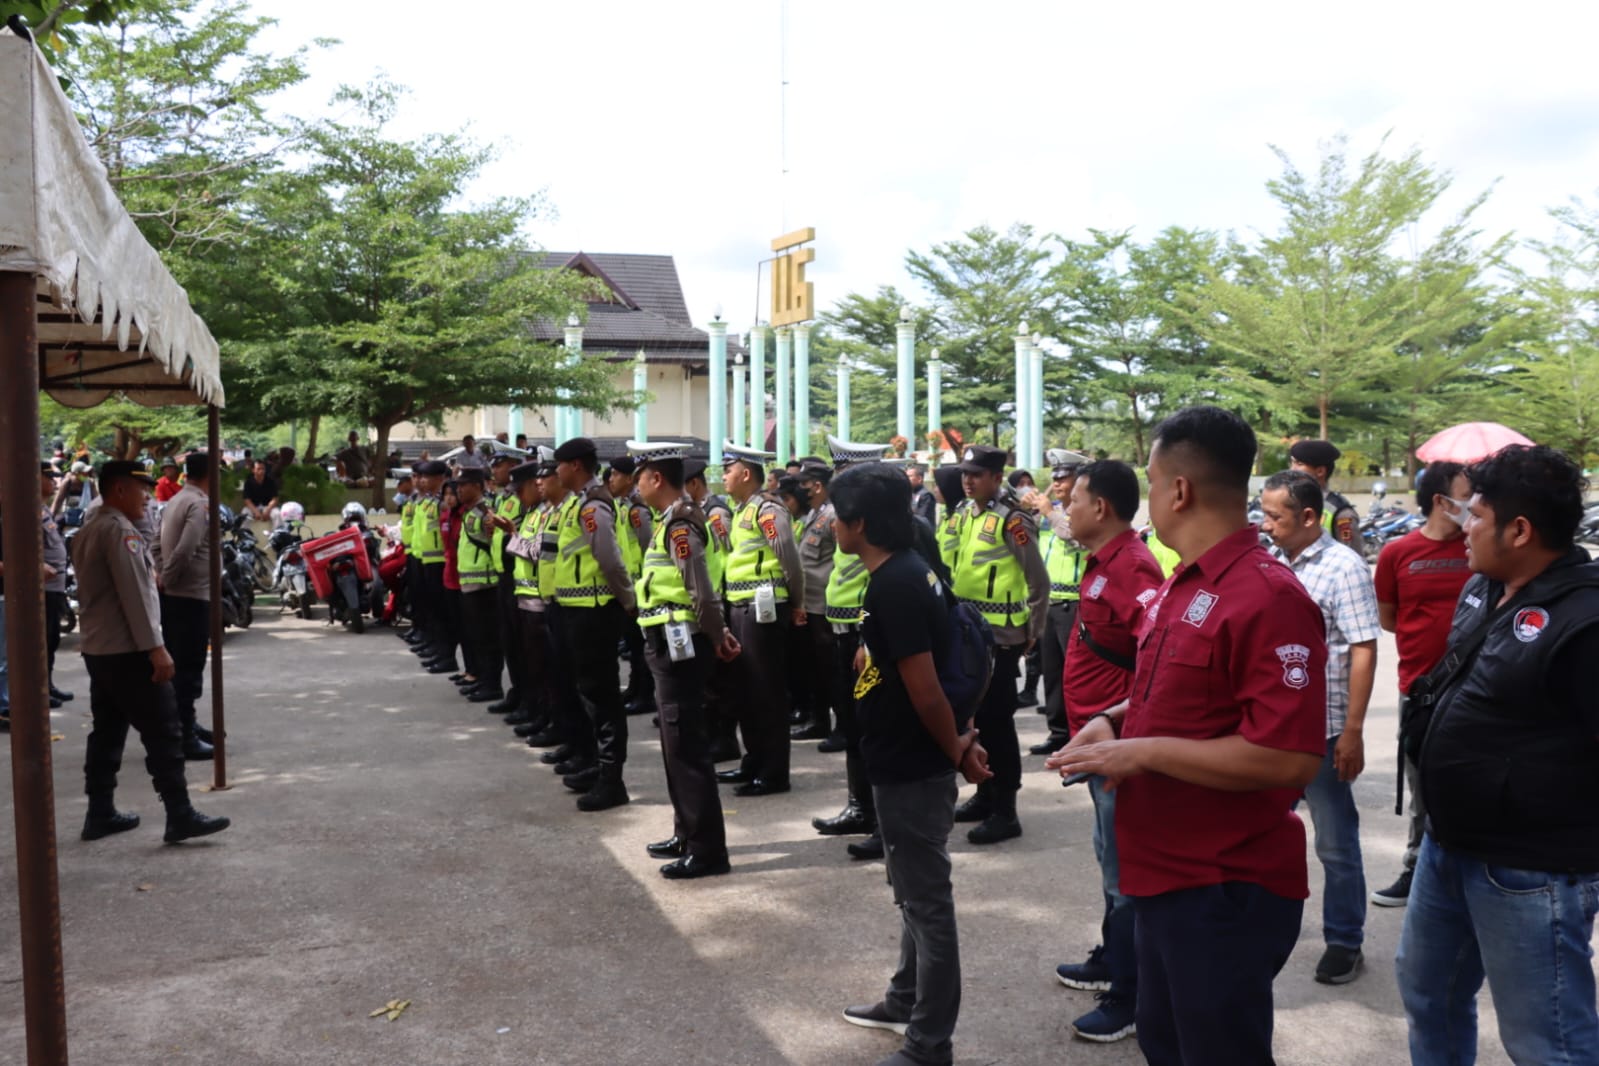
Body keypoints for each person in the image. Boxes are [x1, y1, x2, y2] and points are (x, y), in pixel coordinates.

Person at [1051, 405, 1327, 1065]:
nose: (1147, 499)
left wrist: (1139, 752)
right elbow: (1183, 695)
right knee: (1167, 1041)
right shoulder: (1184, 582)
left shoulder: (1267, 597)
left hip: (1222, 883)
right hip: (1165, 872)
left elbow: (1287, 757)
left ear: (1177, 490)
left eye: (1149, 482)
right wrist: (1114, 721)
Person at [1395, 444, 1599, 1066]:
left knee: (1547, 1040)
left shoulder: (1586, 620)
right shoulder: (1484, 587)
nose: (1463, 526)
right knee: (1429, 993)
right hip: (1448, 844)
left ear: (1520, 529)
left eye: (1476, 516)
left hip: (1528, 871)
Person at [832, 461, 992, 1066]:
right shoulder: (909, 570)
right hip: (905, 755)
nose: (830, 522)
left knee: (927, 903)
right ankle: (905, 998)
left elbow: (925, 690)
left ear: (860, 523)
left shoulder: (894, 583)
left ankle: (929, 1043)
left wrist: (957, 748)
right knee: (912, 892)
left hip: (911, 761)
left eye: (837, 515)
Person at [1045, 460, 1165, 1044]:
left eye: (1074, 498)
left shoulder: (1132, 565)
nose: (1064, 506)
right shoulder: (1101, 562)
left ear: (1102, 508)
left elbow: (1154, 656)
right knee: (1108, 860)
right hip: (1098, 743)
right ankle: (1113, 959)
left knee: (1125, 874)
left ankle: (1131, 995)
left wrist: (1122, 731)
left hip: (1117, 745)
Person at [1260, 469, 1381, 985]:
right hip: (1275, 728)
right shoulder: (1272, 562)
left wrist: (1352, 731)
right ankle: (1259, 929)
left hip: (1325, 730)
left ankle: (1345, 940)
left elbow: (1363, 648)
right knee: (1262, 831)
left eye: (1274, 516)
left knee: (1334, 841)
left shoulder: (1343, 568)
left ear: (1309, 517)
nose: (1265, 525)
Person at [73, 461, 230, 844]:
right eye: (140, 489)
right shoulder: (117, 531)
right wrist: (157, 649)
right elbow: (136, 598)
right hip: (129, 650)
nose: (147, 496)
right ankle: (179, 814)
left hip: (100, 648)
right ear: (119, 490)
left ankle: (100, 812)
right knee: (165, 731)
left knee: (107, 732)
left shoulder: (90, 527)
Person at [626, 441, 742, 879]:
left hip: (682, 645)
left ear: (656, 478)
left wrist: (718, 634)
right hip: (668, 642)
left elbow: (700, 589)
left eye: (640, 476)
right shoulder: (667, 521)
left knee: (687, 748)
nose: (636, 484)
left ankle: (707, 850)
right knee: (675, 747)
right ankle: (686, 831)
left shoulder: (680, 524)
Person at [1368, 460, 1472, 907]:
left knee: (1473, 783)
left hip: (1475, 689)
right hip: (1420, 690)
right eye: (1466, 496)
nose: (1473, 504)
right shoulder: (1397, 553)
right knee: (1423, 788)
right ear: (1441, 501)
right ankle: (1418, 868)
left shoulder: (1479, 546)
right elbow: (1389, 618)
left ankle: (1472, 875)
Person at [941, 444, 1048, 845]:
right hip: (969, 633)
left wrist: (1032, 633)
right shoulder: (966, 514)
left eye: (977, 474)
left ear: (996, 478)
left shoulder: (1012, 521)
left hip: (1003, 636)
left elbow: (1038, 580)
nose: (968, 480)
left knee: (998, 723)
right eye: (965, 473)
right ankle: (985, 795)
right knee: (976, 719)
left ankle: (1007, 810)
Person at [714, 442, 806, 797]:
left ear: (746, 473)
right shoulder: (740, 511)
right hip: (742, 608)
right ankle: (754, 761)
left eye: (729, 469)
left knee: (766, 692)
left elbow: (790, 560)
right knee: (746, 690)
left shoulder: (768, 510)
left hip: (764, 610)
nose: (724, 475)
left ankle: (774, 772)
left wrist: (796, 603)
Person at [552, 437, 636, 811]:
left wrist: (628, 602)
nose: (555, 472)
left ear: (575, 466)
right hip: (577, 609)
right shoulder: (578, 503)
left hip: (595, 610)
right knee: (587, 692)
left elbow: (609, 559)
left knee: (602, 697)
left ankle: (611, 779)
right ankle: (594, 765)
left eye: (560, 465)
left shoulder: (593, 505)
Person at [1020, 452, 1089, 754]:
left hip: (1075, 603)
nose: (1057, 482)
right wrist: (1028, 510)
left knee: (1077, 674)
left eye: (1063, 476)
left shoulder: (1083, 511)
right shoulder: (1052, 509)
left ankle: (1082, 734)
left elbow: (1074, 536)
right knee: (1053, 673)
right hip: (1050, 602)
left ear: (1080, 478)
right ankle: (1058, 732)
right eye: (1055, 476)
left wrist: (1049, 512)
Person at [158, 452, 219, 760]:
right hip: (190, 596)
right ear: (210, 474)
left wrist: (163, 576)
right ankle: (184, 735)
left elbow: (158, 543)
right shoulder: (199, 504)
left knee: (183, 666)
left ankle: (187, 724)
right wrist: (167, 579)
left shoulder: (177, 500)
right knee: (189, 669)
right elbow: (185, 549)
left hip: (180, 594)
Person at [791, 459, 837, 742]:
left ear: (817, 486)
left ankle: (840, 726)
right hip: (810, 604)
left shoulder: (832, 516)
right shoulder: (815, 514)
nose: (800, 491)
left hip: (825, 605)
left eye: (804, 485)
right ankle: (818, 721)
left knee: (830, 671)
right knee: (816, 669)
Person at [608, 456, 657, 718]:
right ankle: (635, 688)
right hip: (629, 585)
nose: (611, 479)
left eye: (616, 475)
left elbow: (648, 547)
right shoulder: (623, 505)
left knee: (640, 646)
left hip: (639, 585)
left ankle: (645, 694)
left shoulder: (638, 510)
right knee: (632, 643)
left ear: (629, 479)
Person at [454, 467, 504, 704]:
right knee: (477, 637)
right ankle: (483, 680)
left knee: (488, 638)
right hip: (470, 584)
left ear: (476, 486)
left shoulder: (485, 513)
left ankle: (492, 684)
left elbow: (494, 543)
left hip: (484, 584)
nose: (459, 489)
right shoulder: (469, 512)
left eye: (464, 485)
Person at [486, 453, 525, 717]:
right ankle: (517, 693)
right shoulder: (502, 497)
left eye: (498, 466)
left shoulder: (520, 500)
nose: (494, 471)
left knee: (521, 644)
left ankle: (527, 699)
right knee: (509, 640)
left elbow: (518, 534)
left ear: (512, 466)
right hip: (503, 573)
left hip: (516, 573)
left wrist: (505, 529)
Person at [1288, 439, 1364, 555]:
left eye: (1299, 464)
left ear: (1320, 471)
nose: (1292, 469)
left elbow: (1354, 559)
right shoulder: (1291, 502)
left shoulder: (1342, 513)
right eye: (1292, 463)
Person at [40, 463, 73, 708]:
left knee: (51, 639)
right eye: (49, 477)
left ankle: (47, 684)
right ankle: (40, 688)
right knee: (43, 640)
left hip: (56, 586)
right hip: (44, 588)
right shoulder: (26, 509)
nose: (53, 482)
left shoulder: (42, 509)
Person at [906, 462, 937, 526]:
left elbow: (921, 519)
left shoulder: (926, 496)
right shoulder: (909, 493)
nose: (906, 479)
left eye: (910, 476)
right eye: (906, 476)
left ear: (919, 479)